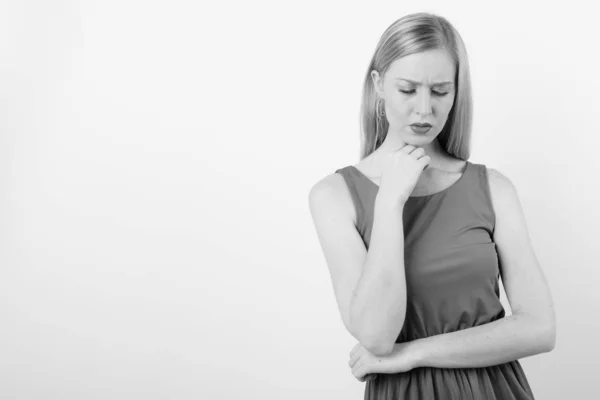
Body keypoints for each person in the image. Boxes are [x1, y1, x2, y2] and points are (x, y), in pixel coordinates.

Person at [308, 12, 556, 400]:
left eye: (440, 91)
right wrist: (390, 201)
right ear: (378, 85)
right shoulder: (334, 196)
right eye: (407, 89)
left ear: (458, 92)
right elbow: (375, 334)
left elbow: (540, 328)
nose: (424, 109)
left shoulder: (492, 187)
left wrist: (412, 354)